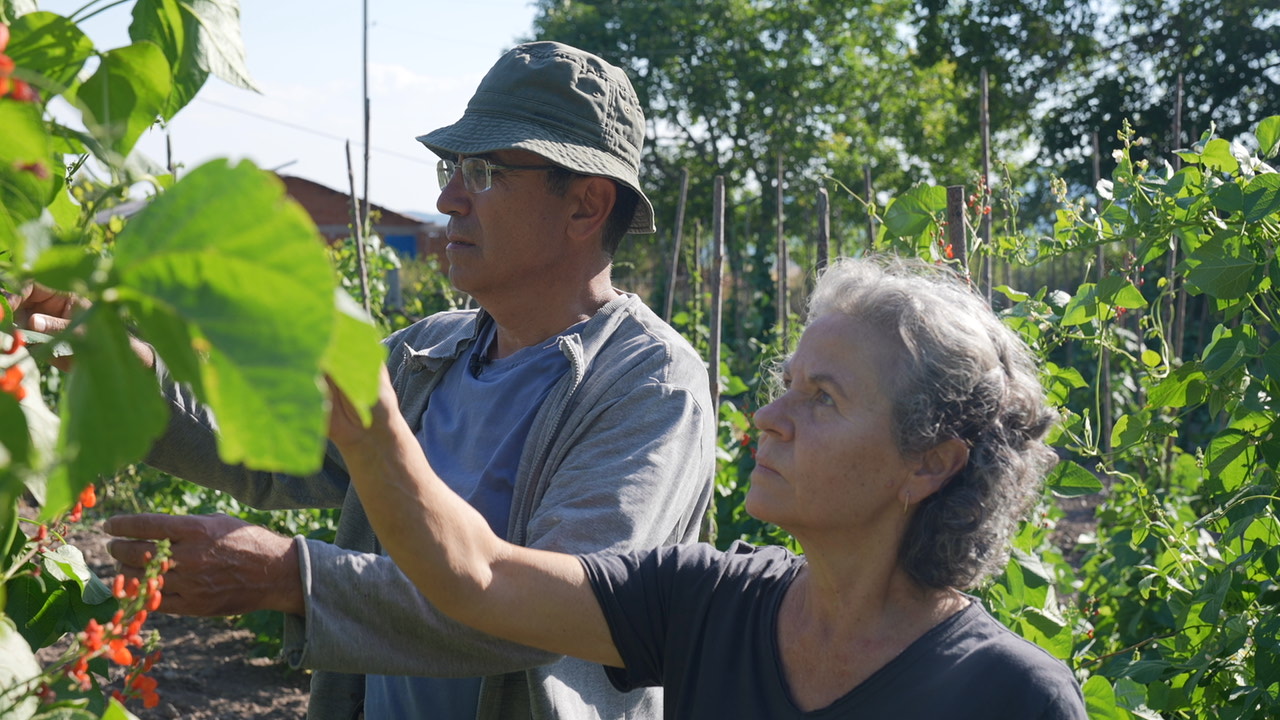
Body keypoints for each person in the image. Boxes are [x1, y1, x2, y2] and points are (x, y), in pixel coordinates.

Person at [19, 41, 716, 720]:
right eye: (451, 167)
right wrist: (127, 362)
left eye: (482, 172)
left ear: (585, 206)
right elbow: (276, 439)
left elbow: (556, 609)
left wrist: (291, 577)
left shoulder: (648, 387)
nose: (447, 199)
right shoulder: (428, 351)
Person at [327, 255, 1090, 719]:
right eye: (786, 384)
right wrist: (372, 425)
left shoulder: (1012, 698)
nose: (768, 417)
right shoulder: (708, 605)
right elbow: (484, 580)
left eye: (822, 397)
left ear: (930, 462)